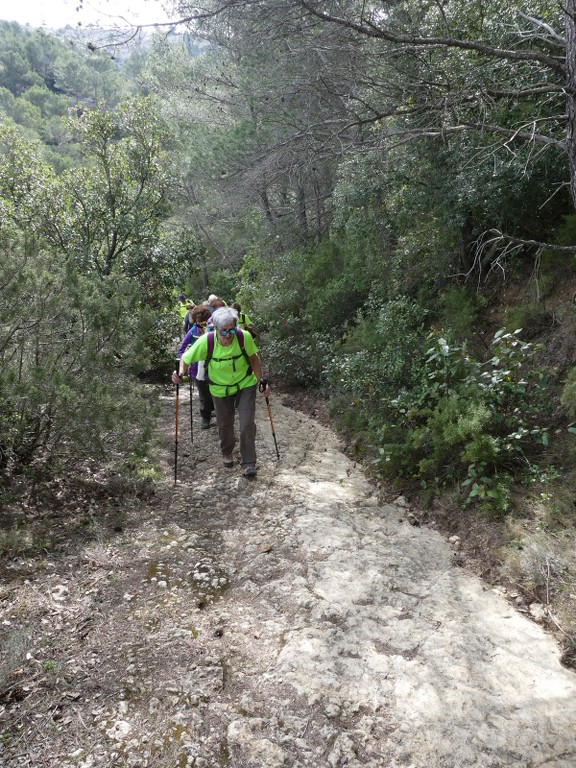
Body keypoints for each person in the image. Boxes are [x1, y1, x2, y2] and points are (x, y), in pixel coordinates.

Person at [172, 306, 270, 477]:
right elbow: (185, 359)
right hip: (218, 388)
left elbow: (254, 359)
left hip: (244, 384)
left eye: (232, 329)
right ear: (216, 330)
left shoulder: (243, 337)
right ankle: (227, 451)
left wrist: (261, 380)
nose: (229, 335)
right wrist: (180, 374)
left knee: (247, 423)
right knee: (224, 424)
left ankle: (248, 462)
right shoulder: (206, 341)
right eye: (224, 331)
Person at [177, 305, 214, 429]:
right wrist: (186, 360)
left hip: (214, 368)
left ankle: (216, 411)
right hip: (196, 370)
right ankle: (205, 418)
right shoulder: (192, 332)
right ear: (195, 322)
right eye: (200, 324)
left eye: (205, 324)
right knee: (203, 395)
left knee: (214, 393)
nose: (203, 327)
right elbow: (181, 350)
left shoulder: (215, 331)